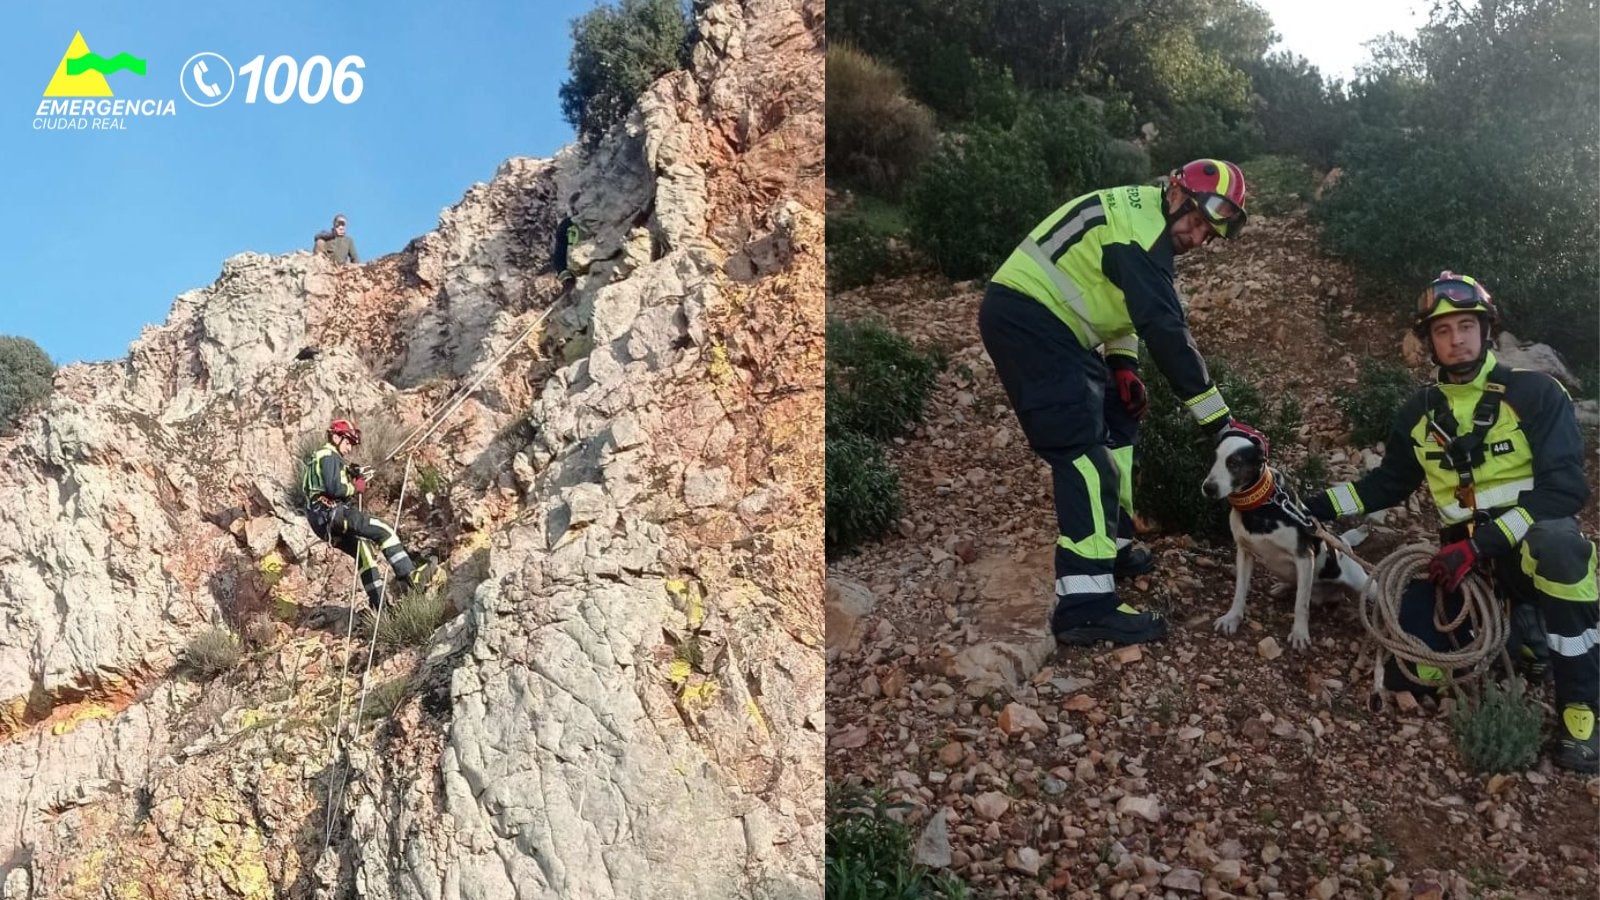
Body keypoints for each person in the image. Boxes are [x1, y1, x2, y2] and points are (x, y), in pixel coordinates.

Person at [1304, 272, 1598, 773]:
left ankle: (1582, 709)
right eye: (1443, 331)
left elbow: (1566, 490)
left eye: (1466, 326)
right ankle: (1516, 635)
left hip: (1526, 549)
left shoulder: (1536, 394)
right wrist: (1311, 504)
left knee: (1560, 549)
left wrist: (1482, 543)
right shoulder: (1419, 413)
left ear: (1487, 331)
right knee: (1411, 671)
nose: (1456, 339)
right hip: (1462, 566)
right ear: (1429, 342)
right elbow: (1386, 486)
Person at [979, 158, 1260, 646]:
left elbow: (1117, 298)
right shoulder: (1143, 237)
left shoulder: (1142, 218)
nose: (1197, 238)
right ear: (1176, 194)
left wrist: (1122, 364)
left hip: (1052, 324)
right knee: (1084, 456)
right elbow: (1167, 333)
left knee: (1120, 417)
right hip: (1028, 321)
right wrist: (1220, 423)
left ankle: (1115, 541)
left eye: (1208, 235)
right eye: (1196, 222)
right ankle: (1085, 603)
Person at [300, 419, 429, 609]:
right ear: (335, 437)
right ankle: (410, 575)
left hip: (321, 520)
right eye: (347, 442)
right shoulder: (328, 455)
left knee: (364, 552)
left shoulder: (321, 458)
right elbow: (335, 488)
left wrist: (349, 472)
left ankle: (380, 606)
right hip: (333, 513)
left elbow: (325, 484)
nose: (350, 447)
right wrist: (356, 487)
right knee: (384, 530)